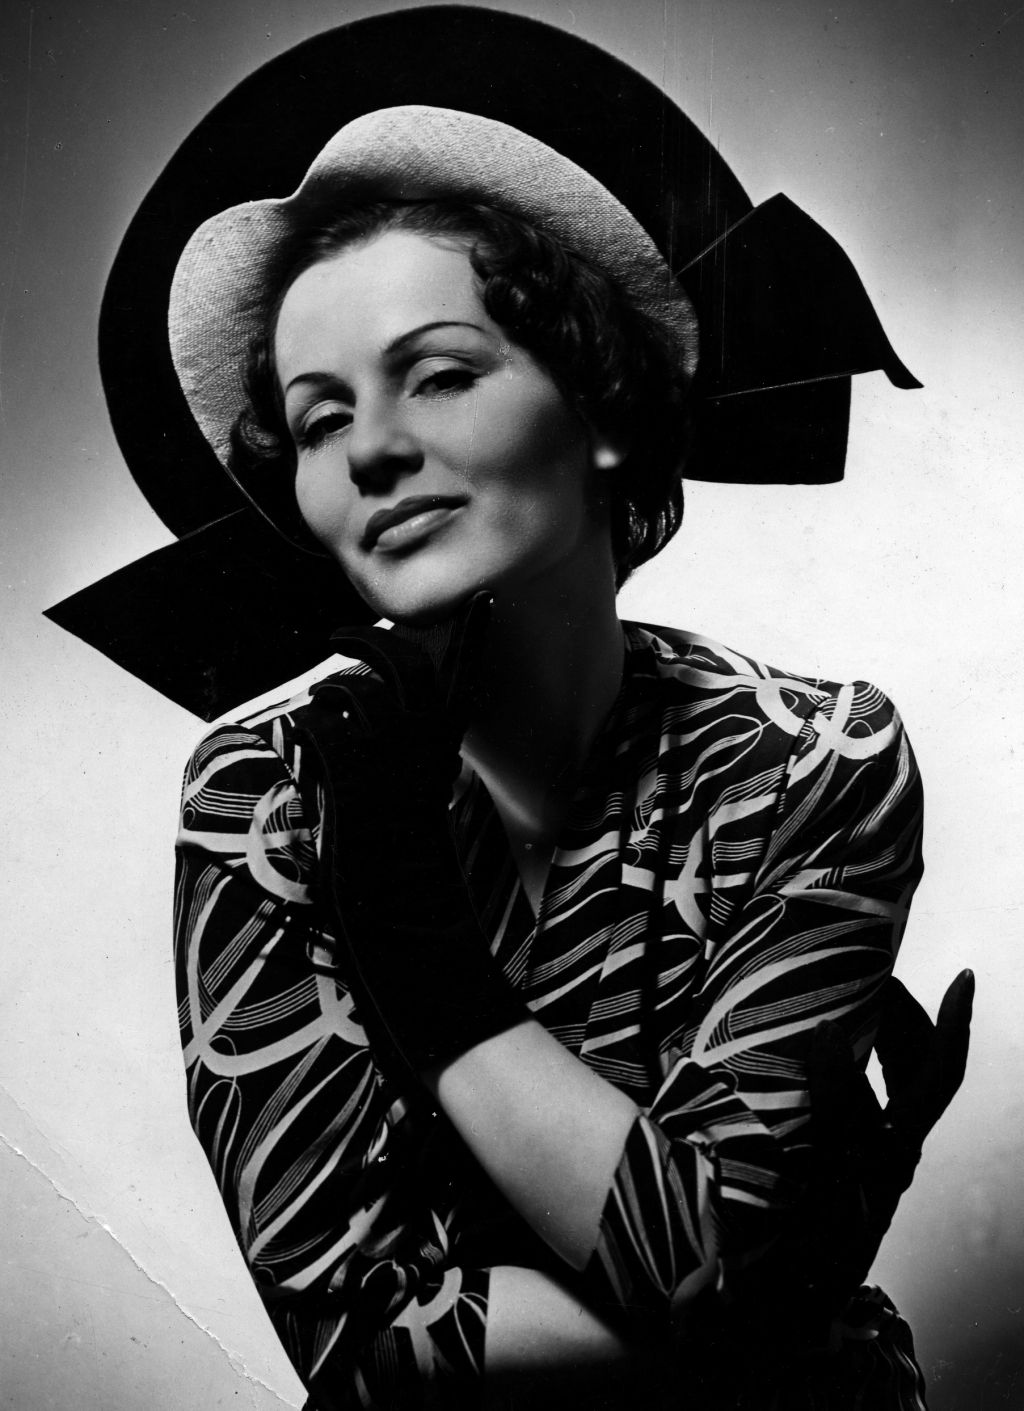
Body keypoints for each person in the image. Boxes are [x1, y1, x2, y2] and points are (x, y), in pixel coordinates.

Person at [48, 11, 972, 1409]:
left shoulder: (811, 759)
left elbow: (693, 1279)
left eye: (438, 373)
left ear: (603, 403)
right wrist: (772, 1294)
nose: (372, 450)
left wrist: (420, 962)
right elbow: (371, 1355)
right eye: (318, 420)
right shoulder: (266, 792)